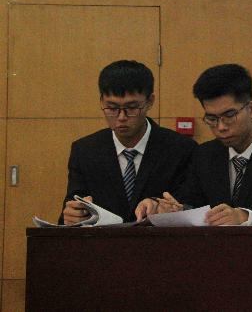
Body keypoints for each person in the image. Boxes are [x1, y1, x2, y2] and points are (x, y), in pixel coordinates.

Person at [136, 64, 252, 225]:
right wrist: (169, 208)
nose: (221, 127)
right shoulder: (204, 155)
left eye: (230, 115)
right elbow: (190, 202)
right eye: (212, 118)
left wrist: (245, 215)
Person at [60, 60, 196, 224]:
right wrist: (72, 216)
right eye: (112, 108)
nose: (121, 117)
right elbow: (71, 211)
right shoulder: (85, 151)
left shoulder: (181, 149)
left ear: (150, 101)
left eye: (131, 108)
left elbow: (192, 209)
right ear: (101, 101)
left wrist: (170, 209)